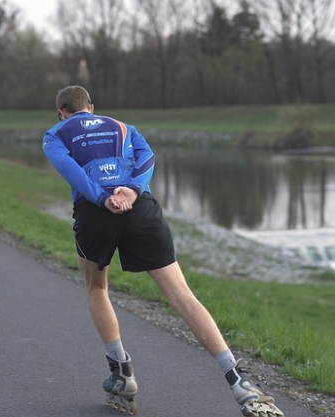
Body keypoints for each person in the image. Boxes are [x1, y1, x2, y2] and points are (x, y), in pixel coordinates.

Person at [42, 85, 284, 417]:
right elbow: (147, 159)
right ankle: (238, 380)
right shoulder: (124, 127)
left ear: (61, 112)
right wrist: (132, 190)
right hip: (139, 208)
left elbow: (70, 170)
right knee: (181, 293)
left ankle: (122, 374)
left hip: (95, 213)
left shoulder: (54, 134)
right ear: (92, 107)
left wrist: (103, 198)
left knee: (96, 288)